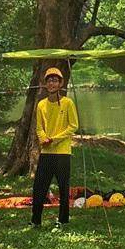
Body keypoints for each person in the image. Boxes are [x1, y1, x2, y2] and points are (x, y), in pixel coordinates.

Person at [31, 65, 78, 228]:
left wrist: (55, 139)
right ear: (45, 84)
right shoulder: (41, 105)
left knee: (64, 188)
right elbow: (39, 128)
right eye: (49, 80)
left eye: (55, 80)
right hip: (46, 152)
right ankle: (35, 220)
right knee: (39, 187)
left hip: (63, 152)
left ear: (60, 84)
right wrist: (43, 138)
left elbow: (73, 126)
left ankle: (63, 220)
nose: (52, 83)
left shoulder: (67, 103)